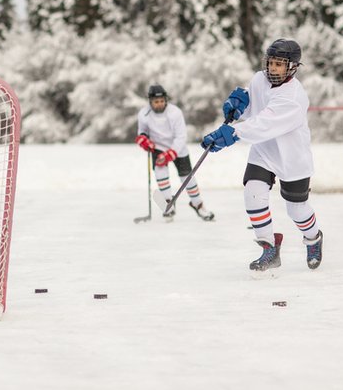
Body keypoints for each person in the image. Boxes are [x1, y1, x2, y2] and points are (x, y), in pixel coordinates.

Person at [201, 38, 323, 272]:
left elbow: (264, 123)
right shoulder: (259, 78)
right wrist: (239, 104)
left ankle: (313, 238)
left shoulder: (293, 98)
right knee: (253, 193)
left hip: (291, 158)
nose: (273, 69)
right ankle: (269, 249)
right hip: (264, 151)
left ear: (292, 67)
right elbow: (254, 103)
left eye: (279, 64)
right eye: (271, 63)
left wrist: (232, 133)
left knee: (296, 210)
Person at [135, 84, 215, 222]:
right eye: (156, 102)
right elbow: (142, 131)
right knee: (161, 174)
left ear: (165, 100)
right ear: (150, 101)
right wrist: (143, 139)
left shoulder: (175, 112)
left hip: (177, 148)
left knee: (187, 178)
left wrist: (171, 153)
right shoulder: (144, 113)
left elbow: (181, 136)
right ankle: (168, 204)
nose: (159, 104)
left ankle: (198, 204)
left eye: (161, 101)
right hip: (158, 147)